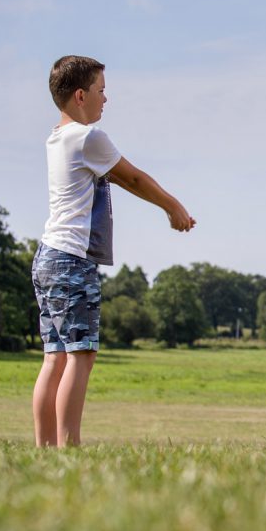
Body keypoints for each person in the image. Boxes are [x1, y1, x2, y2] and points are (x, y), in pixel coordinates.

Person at [32, 56, 196, 447]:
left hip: (48, 258)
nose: (107, 99)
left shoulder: (57, 138)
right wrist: (173, 206)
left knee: (55, 356)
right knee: (81, 354)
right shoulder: (88, 138)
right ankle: (68, 448)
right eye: (102, 91)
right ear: (80, 95)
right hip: (72, 260)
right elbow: (133, 178)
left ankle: (46, 450)